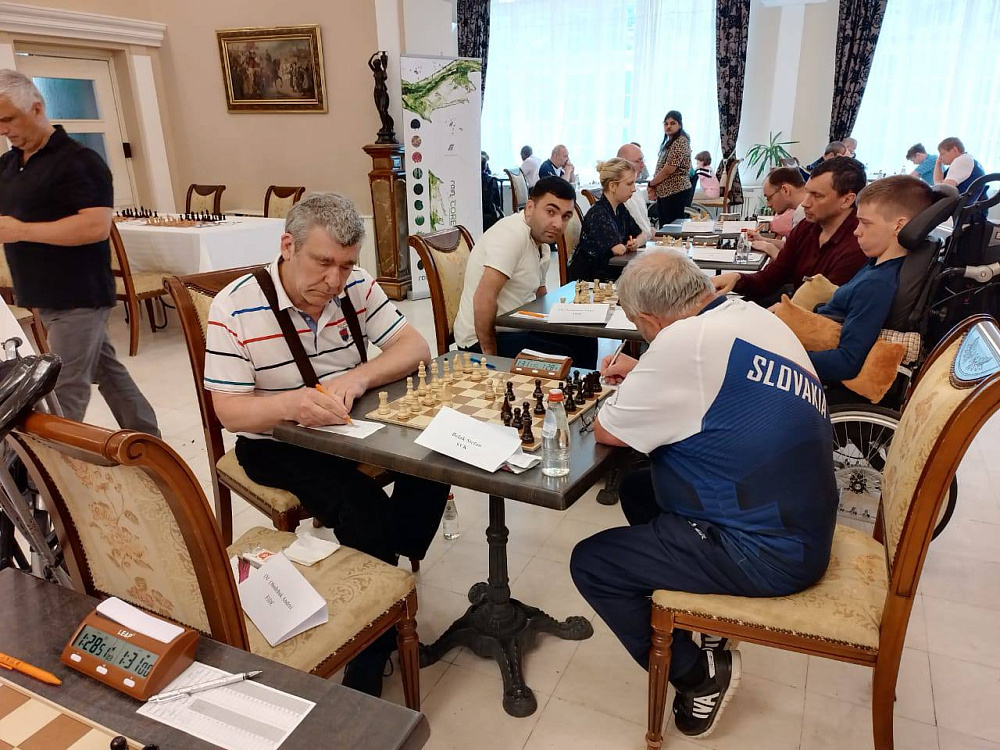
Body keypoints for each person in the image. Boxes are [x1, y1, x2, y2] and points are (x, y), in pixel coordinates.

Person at [571, 249, 837, 739]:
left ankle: (699, 675)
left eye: (641, 328)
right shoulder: (747, 314)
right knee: (639, 488)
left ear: (649, 320)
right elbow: (709, 382)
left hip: (769, 553)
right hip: (804, 520)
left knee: (593, 564)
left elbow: (607, 429)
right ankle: (703, 606)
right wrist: (648, 371)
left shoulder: (682, 344)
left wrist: (648, 372)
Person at [204, 193, 449, 697]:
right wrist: (292, 404)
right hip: (275, 440)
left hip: (350, 427)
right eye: (323, 263)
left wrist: (358, 377)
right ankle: (369, 659)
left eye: (346, 265)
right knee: (361, 507)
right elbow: (229, 411)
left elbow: (415, 347)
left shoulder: (356, 285)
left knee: (437, 458)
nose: (335, 281)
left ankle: (386, 575)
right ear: (287, 246)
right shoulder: (235, 306)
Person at [0, 70, 159, 436]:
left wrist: (20, 230)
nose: (4, 129)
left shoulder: (80, 161)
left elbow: (94, 227)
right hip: (42, 294)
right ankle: (150, 444)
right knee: (109, 373)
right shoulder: (9, 164)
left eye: (9, 118)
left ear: (36, 108)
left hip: (78, 295)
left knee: (63, 390)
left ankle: (54, 467)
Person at [453, 176, 596, 366]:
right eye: (550, 212)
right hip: (481, 339)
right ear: (530, 208)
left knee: (584, 338)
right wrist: (491, 357)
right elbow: (484, 297)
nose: (558, 224)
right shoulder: (511, 235)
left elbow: (540, 295)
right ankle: (573, 385)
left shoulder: (541, 243)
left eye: (565, 216)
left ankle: (588, 385)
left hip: (517, 327)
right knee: (564, 357)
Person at [807, 175, 935, 383]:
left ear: (899, 226)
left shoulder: (876, 285)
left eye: (865, 223)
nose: (856, 231)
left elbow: (846, 362)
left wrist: (787, 357)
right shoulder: (876, 264)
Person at [713, 157, 868, 305]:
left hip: (810, 318)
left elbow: (826, 308)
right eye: (807, 192)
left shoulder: (858, 245)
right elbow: (770, 278)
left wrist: (782, 310)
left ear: (847, 200)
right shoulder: (806, 227)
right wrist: (737, 278)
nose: (805, 203)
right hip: (794, 308)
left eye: (817, 196)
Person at [567, 158, 644, 282]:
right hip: (592, 280)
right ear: (612, 186)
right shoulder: (598, 214)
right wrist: (627, 246)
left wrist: (636, 242)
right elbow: (618, 249)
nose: (634, 189)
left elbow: (640, 235)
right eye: (629, 184)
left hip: (610, 274)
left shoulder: (620, 209)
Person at [748, 167, 808, 259]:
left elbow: (799, 262)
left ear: (785, 190)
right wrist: (762, 239)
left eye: (769, 198)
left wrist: (770, 249)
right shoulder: (800, 210)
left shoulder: (805, 211)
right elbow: (790, 246)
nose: (768, 204)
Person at [648, 111, 692, 226]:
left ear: (680, 125)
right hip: (666, 192)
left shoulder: (680, 141)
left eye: (673, 123)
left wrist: (651, 184)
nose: (668, 126)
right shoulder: (670, 142)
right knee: (665, 227)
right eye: (666, 124)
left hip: (675, 191)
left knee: (671, 229)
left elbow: (669, 169)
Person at [616, 142, 652, 241]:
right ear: (623, 163)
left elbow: (645, 232)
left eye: (643, 160)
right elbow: (642, 233)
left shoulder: (636, 190)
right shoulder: (622, 196)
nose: (643, 165)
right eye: (638, 161)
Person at [934, 137, 987, 202]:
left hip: (961, 205)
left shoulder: (961, 160)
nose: (940, 157)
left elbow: (945, 190)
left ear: (955, 150)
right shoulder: (968, 160)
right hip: (965, 204)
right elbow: (938, 183)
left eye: (942, 154)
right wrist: (938, 164)